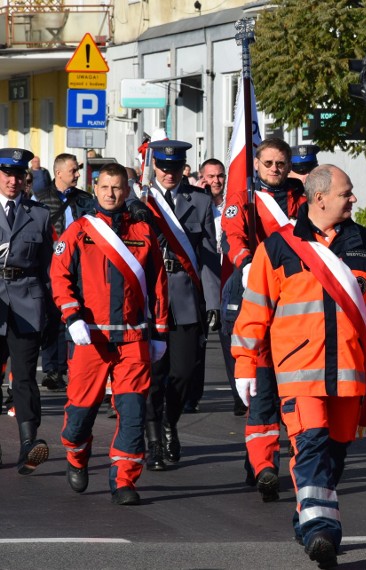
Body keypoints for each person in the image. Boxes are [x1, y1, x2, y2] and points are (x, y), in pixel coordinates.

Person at [232, 164, 366, 569]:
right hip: (298, 373)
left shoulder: (365, 243)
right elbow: (255, 310)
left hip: (350, 374)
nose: (354, 199)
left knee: (334, 455)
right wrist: (244, 363)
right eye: (347, 193)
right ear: (319, 198)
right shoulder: (277, 247)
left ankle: (306, 516)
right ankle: (321, 532)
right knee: (310, 447)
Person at [50, 163, 169, 505]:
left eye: (118, 188)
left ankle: (124, 480)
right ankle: (76, 454)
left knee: (133, 414)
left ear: (127, 191)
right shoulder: (79, 231)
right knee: (79, 416)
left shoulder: (144, 231)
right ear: (96, 188)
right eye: (105, 187)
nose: (111, 194)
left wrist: (159, 333)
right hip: (92, 339)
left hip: (133, 340)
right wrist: (71, 316)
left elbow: (158, 285)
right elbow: (59, 277)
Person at [221, 137, 306, 501]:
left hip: (295, 301)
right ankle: (261, 463)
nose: (274, 169)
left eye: (281, 163)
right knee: (257, 390)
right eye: (268, 163)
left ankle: (265, 463)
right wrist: (246, 262)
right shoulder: (243, 200)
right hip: (251, 294)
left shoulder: (303, 200)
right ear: (256, 164)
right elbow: (233, 236)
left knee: (289, 392)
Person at [141, 140, 220, 471]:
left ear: (184, 168)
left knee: (184, 373)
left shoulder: (198, 201)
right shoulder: (141, 202)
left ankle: (170, 421)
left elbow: (208, 255)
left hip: (186, 297)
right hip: (150, 298)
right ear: (154, 166)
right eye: (163, 167)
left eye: (175, 168)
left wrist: (212, 300)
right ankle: (155, 439)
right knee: (153, 376)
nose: (168, 173)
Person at [0, 147, 55, 475]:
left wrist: (53, 311)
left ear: (25, 179)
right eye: (7, 174)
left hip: (27, 301)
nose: (12, 181)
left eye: (18, 176)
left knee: (24, 377)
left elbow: (49, 269)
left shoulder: (39, 214)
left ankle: (28, 443)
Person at [32, 153, 95, 393]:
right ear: (59, 173)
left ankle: (72, 367)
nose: (78, 174)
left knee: (76, 315)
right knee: (52, 318)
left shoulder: (85, 200)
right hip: (51, 266)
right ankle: (52, 370)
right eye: (73, 171)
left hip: (81, 266)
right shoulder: (40, 199)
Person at [183, 158, 228, 414]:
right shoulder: (195, 206)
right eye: (210, 176)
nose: (215, 181)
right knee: (198, 343)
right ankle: (192, 396)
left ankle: (239, 396)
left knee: (232, 341)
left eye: (220, 176)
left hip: (229, 279)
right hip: (202, 279)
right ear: (202, 177)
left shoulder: (233, 207)